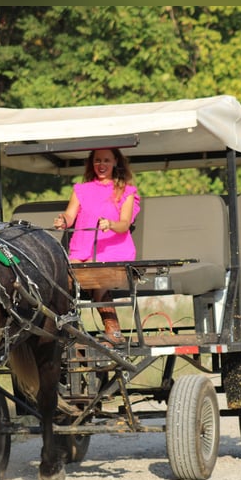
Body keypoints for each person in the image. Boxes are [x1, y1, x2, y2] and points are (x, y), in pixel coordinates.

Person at [53, 148, 140, 346]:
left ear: (115, 162)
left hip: (113, 248)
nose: (101, 165)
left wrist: (110, 224)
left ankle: (113, 329)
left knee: (95, 274)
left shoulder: (125, 191)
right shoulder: (81, 190)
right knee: (62, 275)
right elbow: (70, 216)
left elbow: (124, 224)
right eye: (97, 160)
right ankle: (65, 328)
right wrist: (62, 221)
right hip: (82, 248)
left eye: (106, 160)